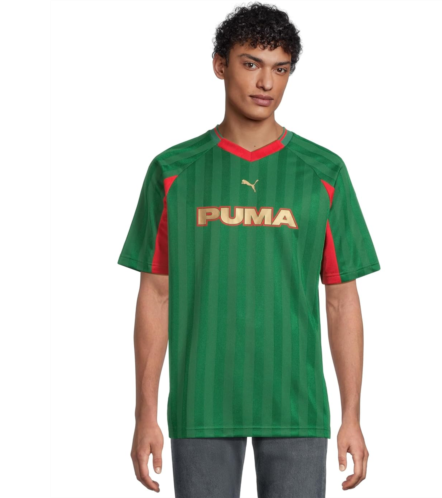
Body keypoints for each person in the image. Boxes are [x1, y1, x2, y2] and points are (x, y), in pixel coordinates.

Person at [118, 2, 380, 496]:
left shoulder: (324, 172)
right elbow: (155, 293)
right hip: (201, 404)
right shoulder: (172, 171)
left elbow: (342, 300)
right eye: (251, 64)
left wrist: (352, 416)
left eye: (280, 69)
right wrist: (144, 414)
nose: (266, 83)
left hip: (298, 408)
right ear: (220, 65)